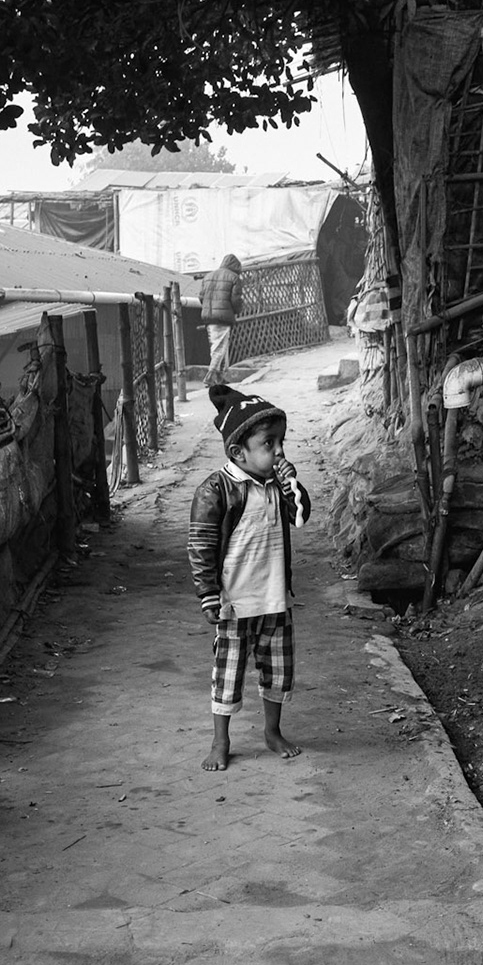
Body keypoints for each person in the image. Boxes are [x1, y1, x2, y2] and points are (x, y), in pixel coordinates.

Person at [187, 384, 311, 772]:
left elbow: (301, 517)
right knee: (227, 675)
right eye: (268, 443)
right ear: (238, 452)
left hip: (275, 600)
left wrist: (292, 482)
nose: (278, 451)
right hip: (235, 603)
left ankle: (272, 732)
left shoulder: (277, 487)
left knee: (278, 672)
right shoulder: (215, 490)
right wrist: (208, 594)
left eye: (281, 442)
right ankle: (220, 739)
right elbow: (201, 546)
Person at [199, 253, 243, 386]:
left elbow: (201, 297)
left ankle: (219, 378)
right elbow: (236, 300)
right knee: (219, 348)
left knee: (217, 346)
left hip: (208, 317)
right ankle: (210, 377)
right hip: (223, 317)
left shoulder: (208, 276)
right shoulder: (234, 278)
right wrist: (237, 311)